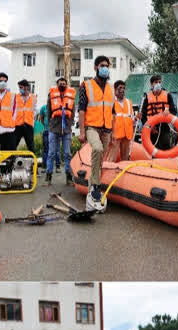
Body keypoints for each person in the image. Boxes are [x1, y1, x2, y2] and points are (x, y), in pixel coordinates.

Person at [78, 55, 115, 212]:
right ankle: (94, 185)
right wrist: (81, 132)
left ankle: (94, 185)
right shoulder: (86, 85)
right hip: (91, 127)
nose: (105, 67)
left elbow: (112, 111)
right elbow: (81, 109)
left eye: (107, 65)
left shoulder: (110, 88)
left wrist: (112, 132)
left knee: (100, 158)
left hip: (106, 129)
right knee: (98, 149)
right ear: (95, 68)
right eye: (102, 65)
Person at [46, 77, 76, 185]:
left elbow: (73, 111)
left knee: (67, 153)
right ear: (57, 84)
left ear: (66, 85)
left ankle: (68, 177)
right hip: (54, 128)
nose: (62, 84)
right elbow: (49, 110)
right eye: (60, 83)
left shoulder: (71, 96)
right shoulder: (51, 95)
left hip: (66, 129)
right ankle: (48, 177)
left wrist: (71, 122)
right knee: (51, 153)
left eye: (64, 83)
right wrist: (50, 123)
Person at [140, 74, 178, 151]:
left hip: (164, 126)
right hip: (152, 127)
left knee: (165, 146)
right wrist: (149, 127)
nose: (158, 84)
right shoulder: (147, 97)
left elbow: (174, 111)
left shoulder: (167, 95)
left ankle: (165, 162)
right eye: (156, 82)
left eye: (160, 82)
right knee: (153, 149)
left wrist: (168, 113)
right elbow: (143, 115)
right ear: (151, 84)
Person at [112, 80, 134, 162]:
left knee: (125, 161)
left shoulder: (129, 103)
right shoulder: (111, 102)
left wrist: (136, 118)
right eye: (120, 88)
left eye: (124, 88)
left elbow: (131, 118)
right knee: (111, 159)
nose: (122, 90)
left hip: (126, 136)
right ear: (115, 90)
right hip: (115, 136)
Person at [37, 102, 61, 174]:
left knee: (57, 149)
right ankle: (44, 166)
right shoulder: (43, 108)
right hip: (46, 131)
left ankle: (58, 166)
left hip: (55, 131)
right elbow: (41, 118)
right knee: (46, 149)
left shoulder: (56, 106)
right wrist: (45, 125)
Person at [13, 80, 36, 152]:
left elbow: (34, 111)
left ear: (26, 87)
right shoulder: (15, 97)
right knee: (13, 145)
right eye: (19, 87)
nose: (20, 89)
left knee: (31, 146)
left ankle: (32, 161)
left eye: (21, 87)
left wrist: (31, 120)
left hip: (28, 125)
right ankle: (11, 161)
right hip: (17, 125)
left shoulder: (33, 97)